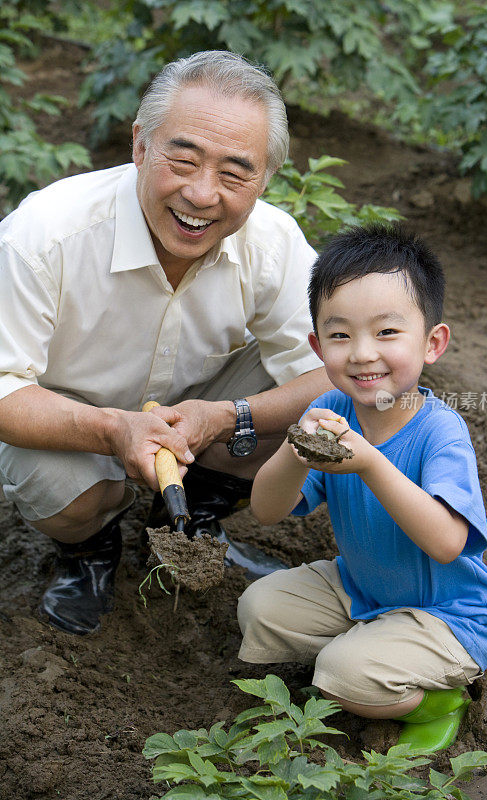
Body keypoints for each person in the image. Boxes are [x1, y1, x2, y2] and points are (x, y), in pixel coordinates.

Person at [0, 51, 333, 636]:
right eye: (183, 158)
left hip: (194, 416)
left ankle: (192, 515)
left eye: (235, 174)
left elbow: (338, 371)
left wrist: (228, 415)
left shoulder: (272, 243)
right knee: (63, 490)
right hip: (73, 421)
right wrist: (111, 429)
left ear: (265, 179)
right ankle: (88, 549)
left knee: (322, 399)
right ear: (140, 146)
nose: (203, 195)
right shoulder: (45, 236)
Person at [238, 224, 487, 752]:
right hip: (363, 587)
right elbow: (268, 510)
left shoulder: (440, 430)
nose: (363, 354)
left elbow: (446, 542)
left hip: (450, 613)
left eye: (387, 333)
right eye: (341, 335)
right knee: (260, 608)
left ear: (432, 343)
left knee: (340, 676)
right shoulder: (333, 414)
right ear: (318, 346)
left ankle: (441, 699)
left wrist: (369, 464)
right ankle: (377, 650)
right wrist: (294, 451)